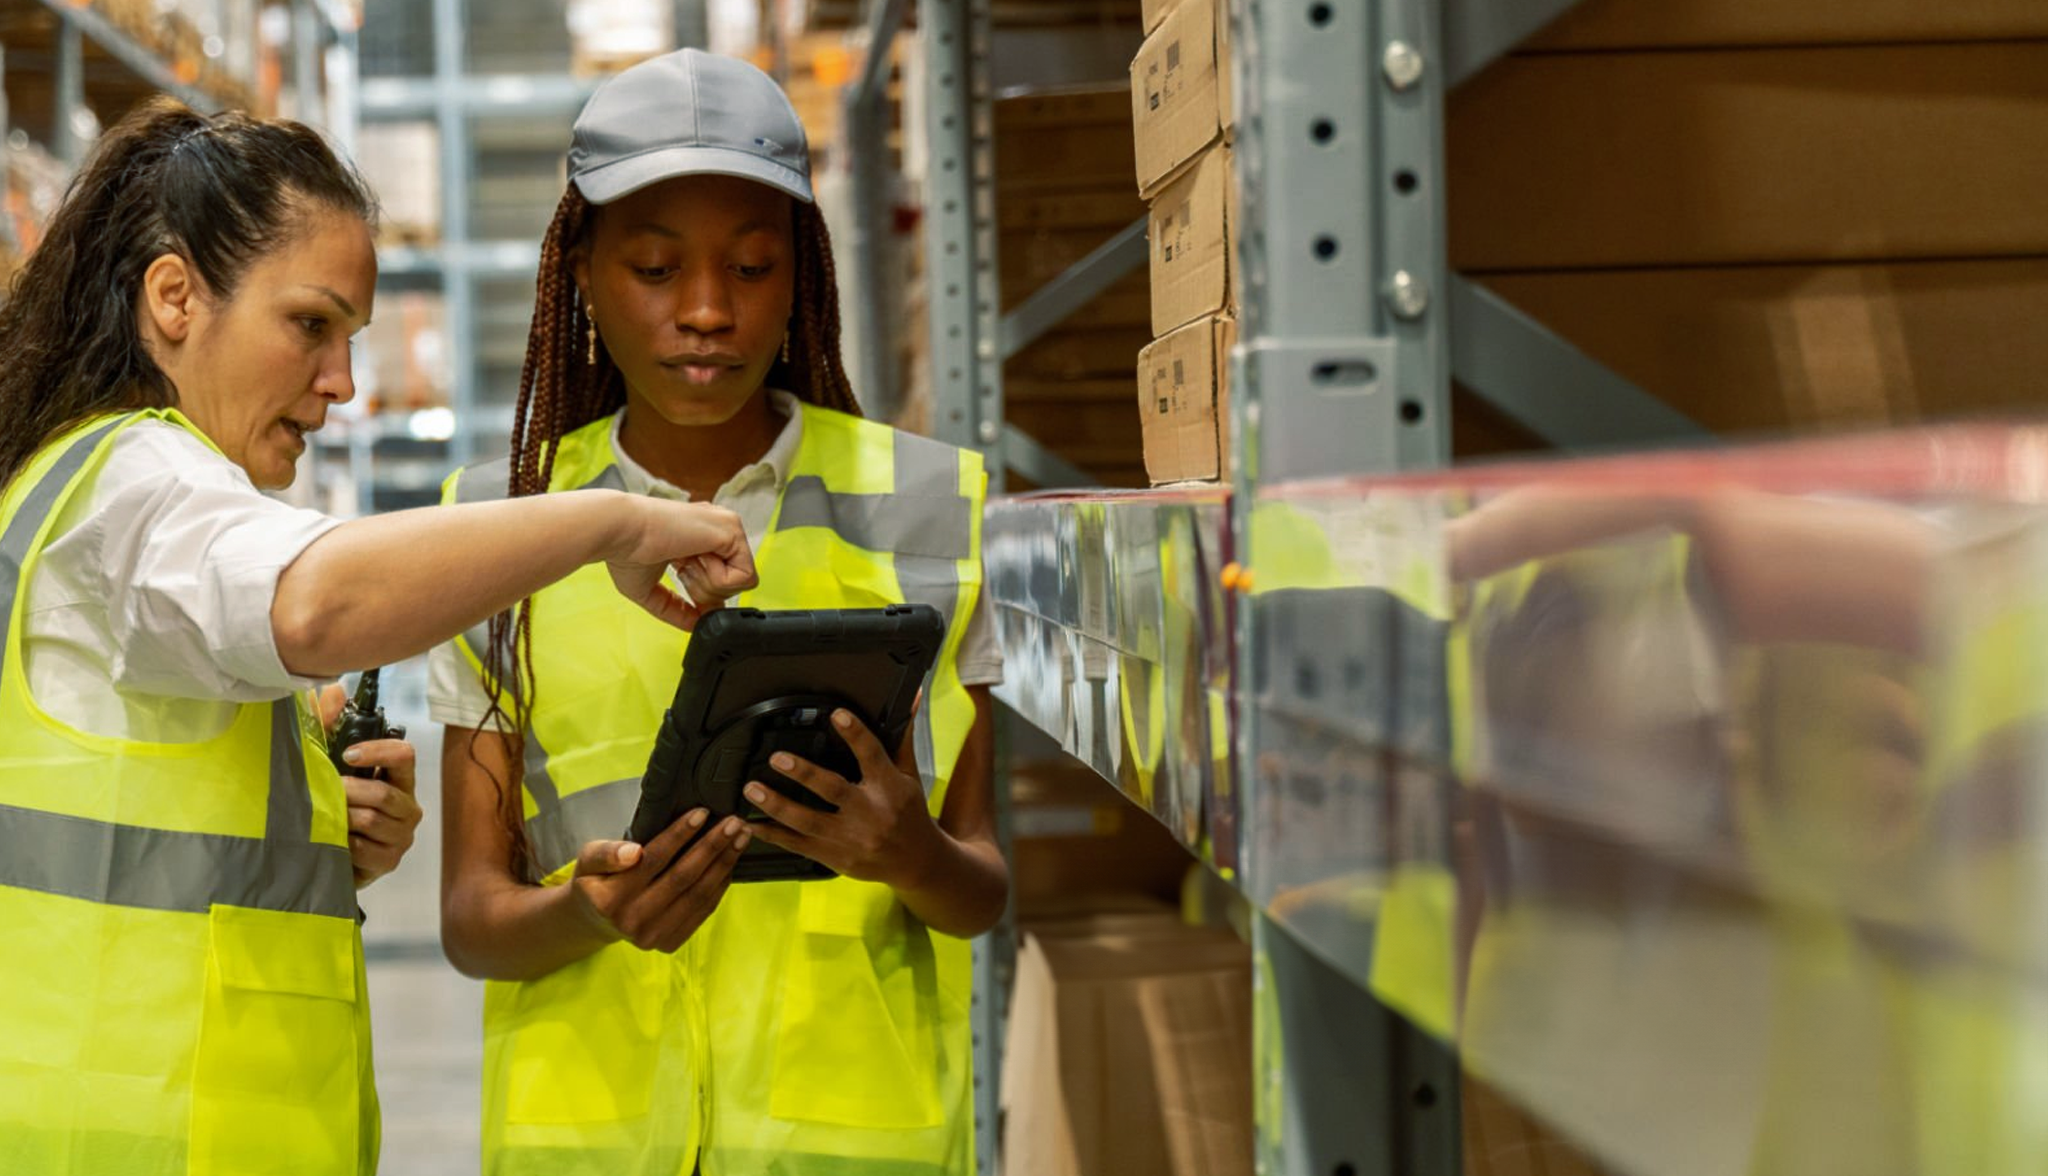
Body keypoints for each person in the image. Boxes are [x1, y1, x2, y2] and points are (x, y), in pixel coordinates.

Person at [0, 98, 759, 1176]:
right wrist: (615, 517)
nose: (342, 384)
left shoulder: (78, 482)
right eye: (310, 325)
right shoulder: (138, 479)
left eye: (351, 338)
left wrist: (317, 828)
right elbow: (317, 608)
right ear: (174, 298)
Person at [432, 49, 1010, 1176]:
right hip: (586, 1146)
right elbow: (469, 917)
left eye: (751, 267)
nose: (706, 310)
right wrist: (590, 914)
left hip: (851, 1145)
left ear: (799, 277)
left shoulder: (936, 507)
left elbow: (979, 889)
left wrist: (905, 852)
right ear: (583, 276)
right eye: (655, 268)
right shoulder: (495, 530)